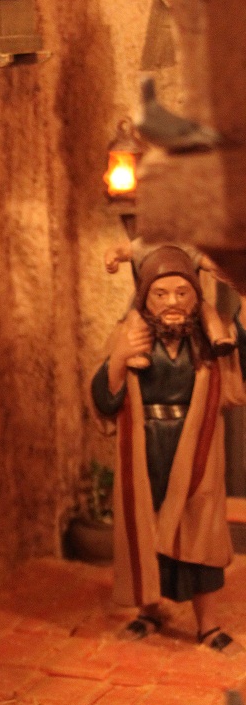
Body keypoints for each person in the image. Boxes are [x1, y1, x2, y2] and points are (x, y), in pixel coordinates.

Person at [91, 245, 246, 650]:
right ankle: (149, 611)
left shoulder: (209, 341)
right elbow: (103, 398)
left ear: (196, 296)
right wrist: (119, 359)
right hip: (144, 447)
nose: (172, 302)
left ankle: (208, 625)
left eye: (182, 292)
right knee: (146, 527)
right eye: (161, 294)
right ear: (146, 298)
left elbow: (239, 371)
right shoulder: (128, 334)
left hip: (197, 445)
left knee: (201, 533)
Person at [104, 235, 235, 367]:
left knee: (206, 310)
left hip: (188, 296)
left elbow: (204, 260)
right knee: (136, 318)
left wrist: (216, 266)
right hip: (147, 298)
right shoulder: (142, 245)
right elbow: (121, 250)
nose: (172, 302)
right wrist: (112, 256)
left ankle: (219, 339)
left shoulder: (188, 244)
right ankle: (141, 353)